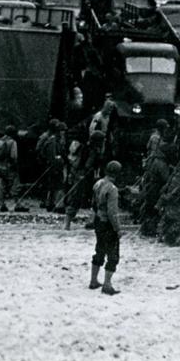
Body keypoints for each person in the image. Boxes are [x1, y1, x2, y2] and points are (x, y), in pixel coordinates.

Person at [89, 161, 123, 295]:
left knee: (99, 250)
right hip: (108, 224)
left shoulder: (98, 183)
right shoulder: (112, 189)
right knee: (113, 255)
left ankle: (93, 280)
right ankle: (107, 284)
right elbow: (112, 212)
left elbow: (93, 203)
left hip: (98, 220)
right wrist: (118, 228)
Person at [139, 143, 173, 237]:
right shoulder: (161, 163)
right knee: (154, 209)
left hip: (150, 186)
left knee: (149, 208)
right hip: (156, 188)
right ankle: (151, 230)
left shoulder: (153, 159)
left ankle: (146, 229)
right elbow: (166, 177)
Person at [0, 125, 26, 213]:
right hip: (9, 167)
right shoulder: (12, 142)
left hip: (0, 167)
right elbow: (14, 156)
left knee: (1, 186)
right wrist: (16, 166)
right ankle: (18, 205)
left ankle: (2, 205)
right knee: (15, 186)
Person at [37, 119, 67, 212]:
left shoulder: (56, 140)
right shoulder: (53, 141)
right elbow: (53, 155)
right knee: (58, 185)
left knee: (52, 185)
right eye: (62, 131)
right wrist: (59, 161)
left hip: (53, 166)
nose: (63, 133)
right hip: (54, 166)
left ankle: (50, 203)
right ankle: (58, 205)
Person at [63, 125, 89, 229]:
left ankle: (67, 223)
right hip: (79, 174)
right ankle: (67, 223)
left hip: (76, 172)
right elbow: (81, 163)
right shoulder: (83, 148)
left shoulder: (75, 145)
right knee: (75, 197)